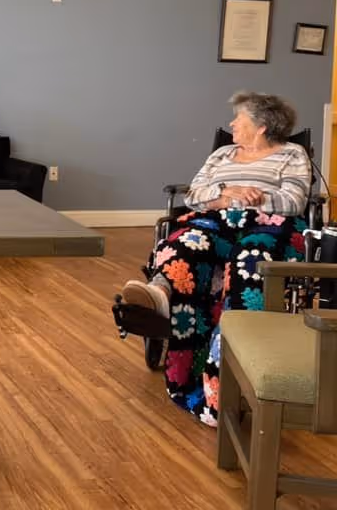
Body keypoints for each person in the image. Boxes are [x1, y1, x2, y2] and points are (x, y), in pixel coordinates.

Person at [120, 91, 311, 427]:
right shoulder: (223, 154)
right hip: (215, 222)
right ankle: (160, 294)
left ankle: (227, 377)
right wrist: (225, 195)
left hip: (269, 227)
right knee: (186, 244)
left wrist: (256, 197)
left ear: (262, 126)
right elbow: (194, 195)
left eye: (239, 119)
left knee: (249, 261)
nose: (232, 124)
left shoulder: (292, 154)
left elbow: (294, 201)